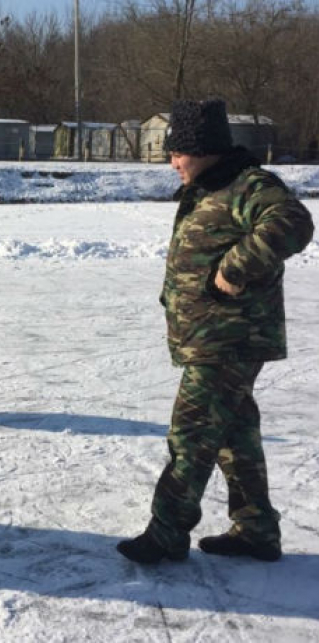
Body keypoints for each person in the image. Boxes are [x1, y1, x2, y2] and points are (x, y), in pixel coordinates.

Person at [117, 99, 314, 564]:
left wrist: (235, 267)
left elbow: (293, 221)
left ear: (201, 148)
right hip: (213, 338)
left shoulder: (247, 185)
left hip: (229, 340)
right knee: (234, 436)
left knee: (191, 435)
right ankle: (256, 530)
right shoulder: (210, 186)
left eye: (176, 152)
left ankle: (166, 533)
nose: (172, 162)